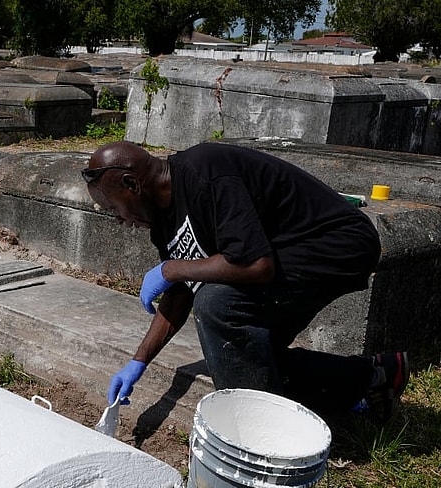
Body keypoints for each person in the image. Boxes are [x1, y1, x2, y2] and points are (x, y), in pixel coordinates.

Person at [82, 141, 409, 422]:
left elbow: (255, 266)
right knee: (243, 354)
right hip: (290, 254)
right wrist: (138, 361)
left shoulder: (206, 171)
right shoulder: (163, 222)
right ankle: (375, 376)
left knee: (217, 306)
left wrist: (171, 270)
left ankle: (257, 433)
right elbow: (181, 291)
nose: (120, 220)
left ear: (131, 184)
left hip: (337, 243)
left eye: (114, 207)